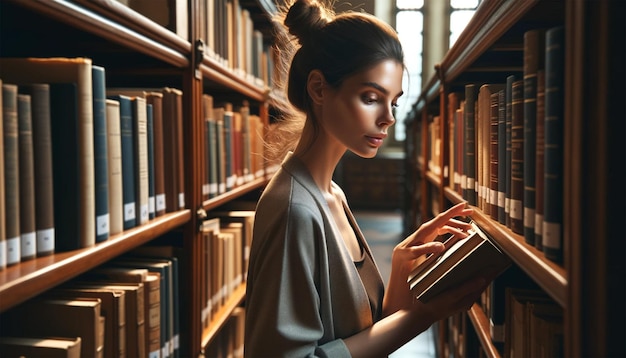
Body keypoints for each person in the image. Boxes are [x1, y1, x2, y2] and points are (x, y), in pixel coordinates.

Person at [244, 0, 492, 356]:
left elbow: (354, 335)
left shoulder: (332, 194)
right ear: (318, 89)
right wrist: (417, 317)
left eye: (393, 102)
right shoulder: (293, 209)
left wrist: (398, 277)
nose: (388, 118)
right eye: (371, 97)